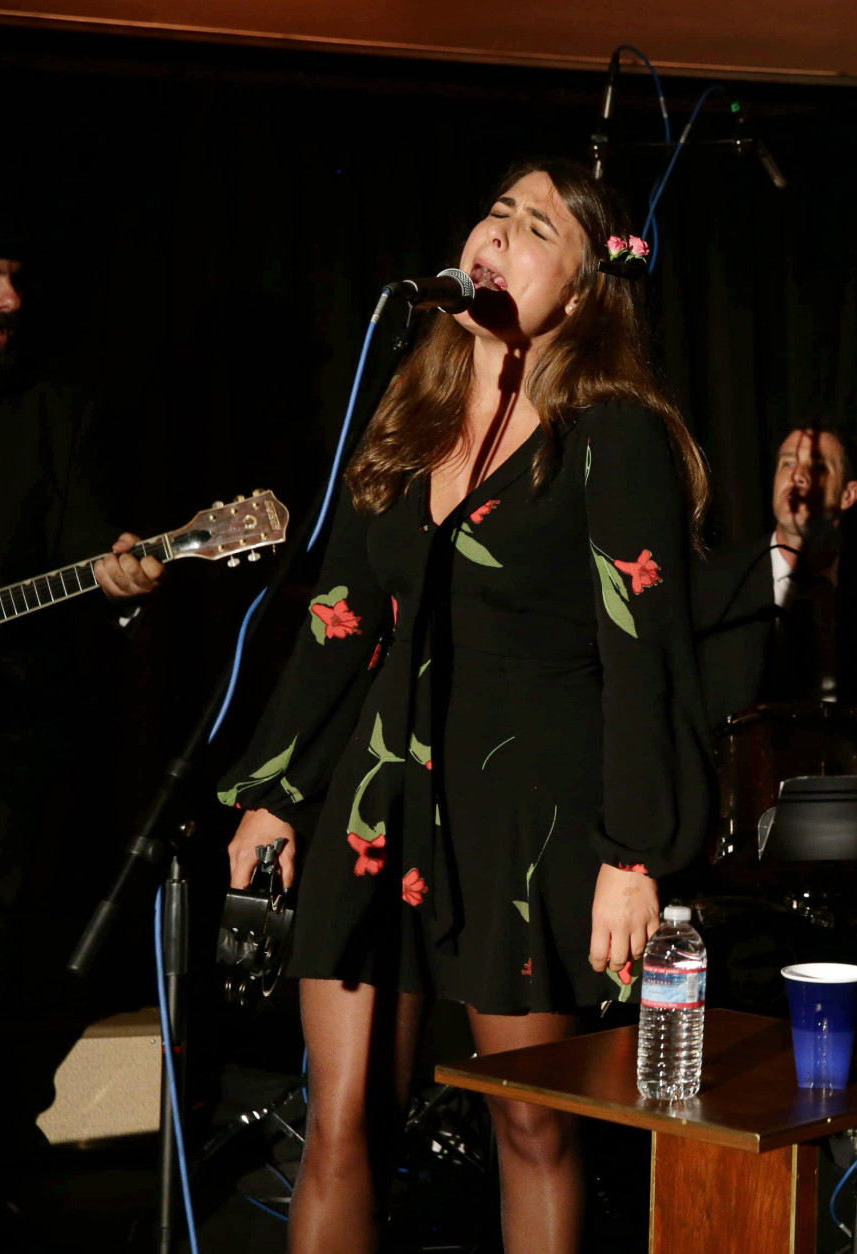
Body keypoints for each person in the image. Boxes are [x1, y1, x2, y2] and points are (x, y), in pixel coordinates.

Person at [218, 159, 712, 1254]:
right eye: (495, 211)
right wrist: (275, 795)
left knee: (531, 1122)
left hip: (527, 815)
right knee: (337, 1122)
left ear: (580, 296)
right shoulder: (412, 405)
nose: (498, 235)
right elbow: (338, 616)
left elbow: (647, 658)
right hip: (378, 795)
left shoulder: (611, 434)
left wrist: (635, 855)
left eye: (535, 228)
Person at [0, 213, 165, 1193]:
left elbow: (90, 547)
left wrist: (122, 575)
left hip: (9, 753)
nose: (11, 301)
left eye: (18, 273)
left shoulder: (58, 409)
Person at [691, 426, 857, 726]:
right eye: (788, 463)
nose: (798, 476)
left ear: (848, 494)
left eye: (817, 466)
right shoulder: (714, 582)